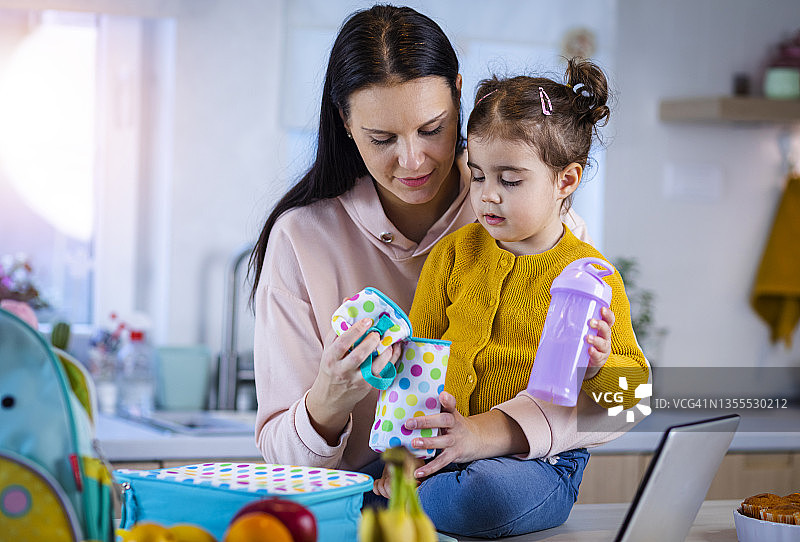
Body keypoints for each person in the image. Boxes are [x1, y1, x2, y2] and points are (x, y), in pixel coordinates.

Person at [250, 3, 631, 502]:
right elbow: (283, 459)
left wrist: (486, 434)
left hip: (489, 483)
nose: (412, 160)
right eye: (382, 138)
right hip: (367, 496)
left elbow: (626, 402)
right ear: (345, 123)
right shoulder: (301, 239)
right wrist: (330, 397)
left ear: (457, 94)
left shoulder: (532, 220)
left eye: (432, 129)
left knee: (481, 499)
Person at [371, 59, 650, 537]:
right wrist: (401, 455)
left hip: (538, 464)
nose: (488, 197)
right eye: (478, 176)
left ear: (566, 180)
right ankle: (410, 496)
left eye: (510, 180)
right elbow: (415, 363)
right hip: (440, 452)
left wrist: (604, 366)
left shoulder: (592, 276)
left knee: (486, 494)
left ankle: (406, 505)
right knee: (427, 487)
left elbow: (633, 397)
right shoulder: (454, 255)